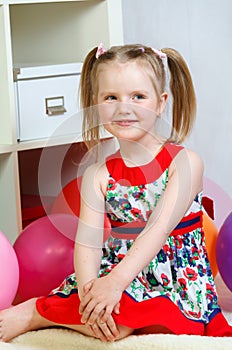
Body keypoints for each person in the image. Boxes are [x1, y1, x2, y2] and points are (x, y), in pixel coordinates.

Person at [0, 43, 231, 342]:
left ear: (160, 103)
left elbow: (158, 230)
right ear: (95, 104)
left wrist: (116, 284)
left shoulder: (185, 163)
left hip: (174, 278)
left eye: (138, 97)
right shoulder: (99, 175)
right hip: (117, 268)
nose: (124, 107)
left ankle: (42, 313)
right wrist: (89, 295)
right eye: (111, 97)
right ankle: (40, 311)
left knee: (162, 323)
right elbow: (89, 243)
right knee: (114, 323)